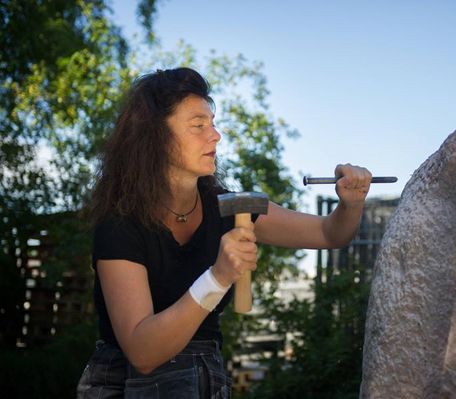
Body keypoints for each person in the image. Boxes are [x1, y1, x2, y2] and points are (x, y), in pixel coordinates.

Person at [76, 67, 372, 398]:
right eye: (199, 126)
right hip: (126, 385)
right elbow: (143, 353)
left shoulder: (233, 208)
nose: (215, 135)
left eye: (212, 124)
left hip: (204, 380)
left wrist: (351, 203)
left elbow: (330, 235)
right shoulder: (120, 224)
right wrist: (217, 278)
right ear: (154, 136)